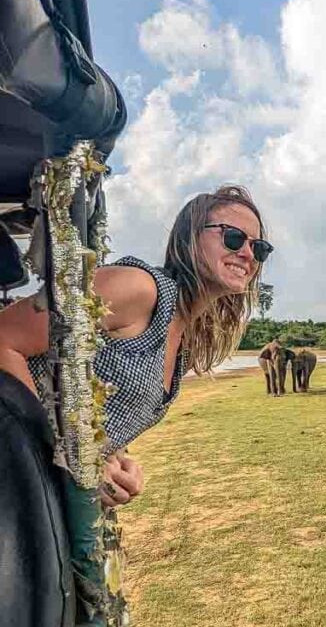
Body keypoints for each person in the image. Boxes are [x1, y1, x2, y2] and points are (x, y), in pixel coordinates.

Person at [0, 184, 272, 506]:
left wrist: (115, 458)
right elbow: (4, 338)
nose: (247, 254)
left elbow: (94, 404)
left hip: (36, 499)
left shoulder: (184, 335)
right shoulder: (138, 288)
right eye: (233, 237)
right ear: (189, 238)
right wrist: (75, 457)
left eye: (260, 248)